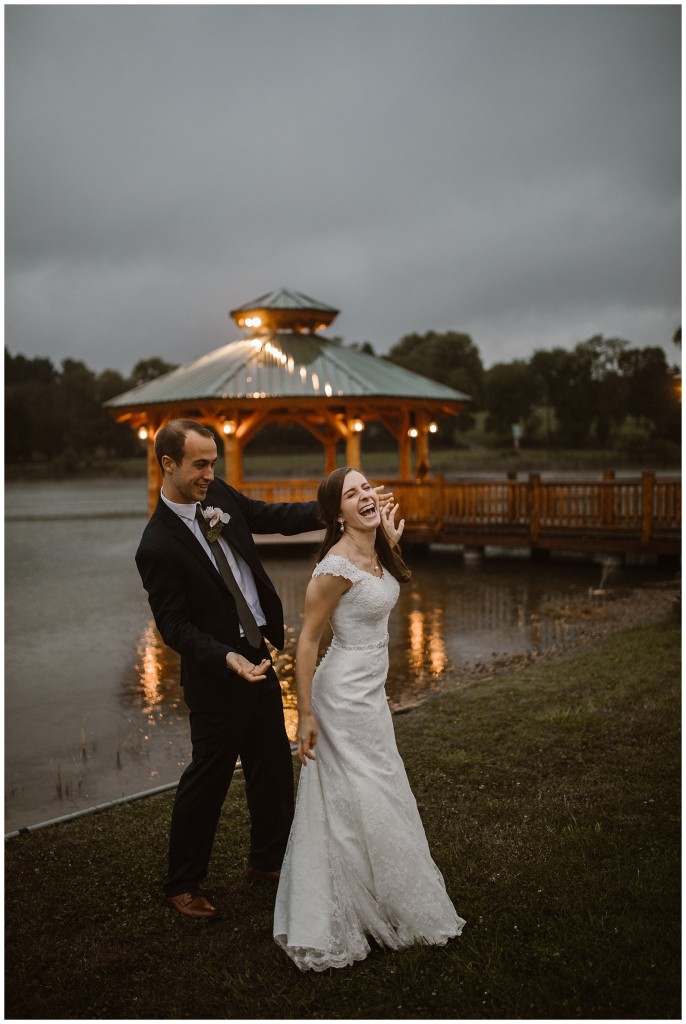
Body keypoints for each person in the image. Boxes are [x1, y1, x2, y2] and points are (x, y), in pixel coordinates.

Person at [274, 466, 465, 970]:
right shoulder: (334, 568)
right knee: (362, 789)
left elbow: (391, 583)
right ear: (336, 513)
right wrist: (306, 714)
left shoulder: (373, 547)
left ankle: (379, 895)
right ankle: (350, 905)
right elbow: (308, 643)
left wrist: (389, 542)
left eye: (367, 489)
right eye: (351, 494)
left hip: (371, 694)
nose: (364, 497)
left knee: (376, 785)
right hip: (340, 698)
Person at [135, 418, 325, 920]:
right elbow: (173, 626)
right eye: (200, 464)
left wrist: (333, 511)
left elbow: (268, 514)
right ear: (168, 464)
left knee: (272, 766)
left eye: (213, 462)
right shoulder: (155, 545)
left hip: (259, 655)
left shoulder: (216, 493)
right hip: (218, 675)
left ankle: (267, 862)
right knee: (208, 779)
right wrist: (224, 656)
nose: (209, 473)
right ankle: (182, 883)